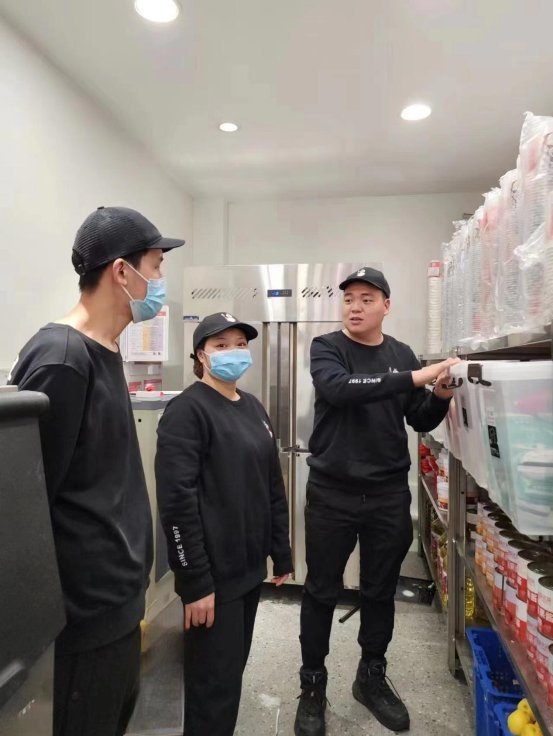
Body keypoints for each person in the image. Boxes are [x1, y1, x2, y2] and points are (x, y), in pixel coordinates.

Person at [8, 206, 184, 736]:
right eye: (156, 265)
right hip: (84, 621)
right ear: (121, 271)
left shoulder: (105, 350)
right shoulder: (62, 357)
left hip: (118, 609)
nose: (161, 280)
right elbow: (28, 510)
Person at [294, 266, 460, 736]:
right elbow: (339, 389)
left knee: (379, 590)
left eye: (367, 299)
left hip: (387, 493)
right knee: (320, 590)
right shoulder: (327, 348)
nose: (355, 307)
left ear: (386, 305)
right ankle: (312, 684)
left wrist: (440, 394)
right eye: (348, 299)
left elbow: (420, 419)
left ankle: (370, 677)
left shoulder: (400, 354)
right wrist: (416, 376)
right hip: (332, 493)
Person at [155, 312, 294, 736]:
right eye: (221, 345)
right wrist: (195, 582)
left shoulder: (252, 407)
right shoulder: (187, 411)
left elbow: (271, 485)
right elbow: (176, 503)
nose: (233, 352)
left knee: (229, 677)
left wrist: (281, 552)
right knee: (212, 691)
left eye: (240, 344)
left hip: (248, 573)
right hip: (213, 581)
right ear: (201, 355)